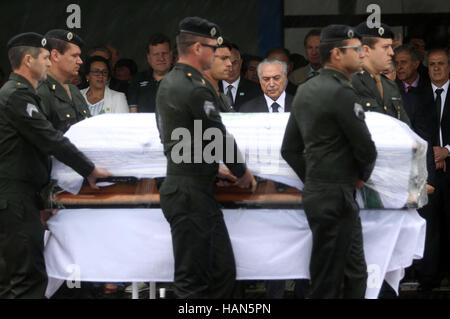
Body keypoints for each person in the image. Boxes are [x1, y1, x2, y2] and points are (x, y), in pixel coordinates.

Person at [0, 32, 111, 299]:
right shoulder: (16, 95)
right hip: (16, 198)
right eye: (43, 58)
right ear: (28, 60)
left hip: (26, 196)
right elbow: (50, 137)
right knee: (24, 279)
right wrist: (90, 169)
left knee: (25, 276)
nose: (48, 63)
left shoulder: (26, 93)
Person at [155, 16, 256, 298]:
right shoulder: (194, 87)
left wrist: (212, 169)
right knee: (193, 281)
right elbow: (217, 136)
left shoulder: (171, 82)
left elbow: (178, 138)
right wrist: (242, 173)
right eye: (213, 48)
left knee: (221, 272)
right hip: (190, 194)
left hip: (192, 187)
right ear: (198, 48)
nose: (216, 55)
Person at [281, 25, 377, 298]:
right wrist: (359, 176)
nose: (361, 54)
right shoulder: (341, 92)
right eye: (355, 50)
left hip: (321, 192)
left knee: (343, 273)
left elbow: (289, 149)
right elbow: (366, 149)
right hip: (337, 194)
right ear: (336, 54)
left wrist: (315, 178)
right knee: (338, 277)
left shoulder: (305, 90)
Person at [415, 48, 450, 292]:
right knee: (430, 225)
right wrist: (433, 154)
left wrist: (447, 150)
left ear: (449, 66)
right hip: (428, 169)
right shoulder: (418, 95)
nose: (436, 68)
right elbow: (415, 130)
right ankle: (429, 278)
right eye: (432, 64)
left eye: (441, 64)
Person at [352, 23, 411, 126]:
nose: (392, 52)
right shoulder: (349, 82)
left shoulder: (390, 86)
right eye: (385, 47)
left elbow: (405, 128)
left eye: (391, 47)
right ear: (366, 50)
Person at [37, 29, 90, 133]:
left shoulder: (74, 90)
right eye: (74, 56)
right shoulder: (39, 91)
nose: (80, 61)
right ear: (55, 55)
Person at [128, 33, 173, 113]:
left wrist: (198, 126)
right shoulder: (138, 79)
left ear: (171, 55)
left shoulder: (183, 79)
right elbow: (133, 114)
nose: (161, 58)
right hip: (144, 125)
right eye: (156, 54)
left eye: (164, 53)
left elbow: (197, 114)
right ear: (149, 58)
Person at [218, 43, 262, 111]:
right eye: (226, 62)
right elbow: (198, 118)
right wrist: (198, 122)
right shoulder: (210, 88)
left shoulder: (257, 90)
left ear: (241, 63)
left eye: (234, 63)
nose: (231, 68)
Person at [202, 38, 234, 112]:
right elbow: (197, 123)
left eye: (229, 59)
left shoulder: (224, 99)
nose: (229, 64)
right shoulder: (196, 95)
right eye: (224, 58)